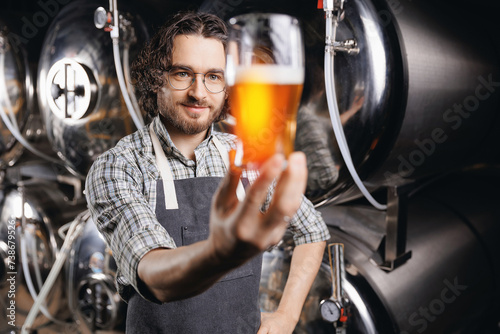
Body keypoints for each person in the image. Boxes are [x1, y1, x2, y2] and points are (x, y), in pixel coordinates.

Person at [85, 11, 330, 334]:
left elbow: (312, 230)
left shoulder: (247, 157)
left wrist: (286, 315)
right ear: (156, 78)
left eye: (214, 77)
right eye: (183, 74)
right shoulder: (119, 166)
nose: (199, 93)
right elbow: (156, 277)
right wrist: (220, 252)